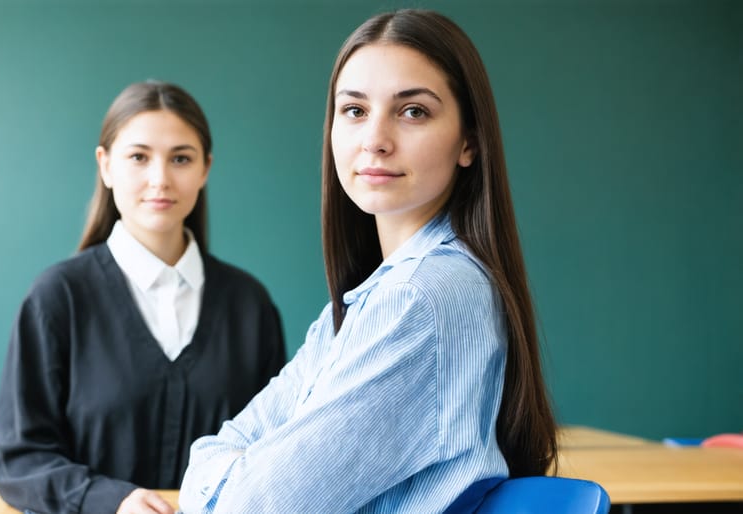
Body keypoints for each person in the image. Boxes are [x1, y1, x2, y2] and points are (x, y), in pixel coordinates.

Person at [178, 9, 557, 513]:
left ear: (470, 142)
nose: (374, 139)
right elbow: (232, 448)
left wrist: (234, 472)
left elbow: (251, 505)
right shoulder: (363, 303)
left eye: (413, 111)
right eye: (354, 110)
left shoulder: (421, 299)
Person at [0, 81, 286, 514]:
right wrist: (111, 500)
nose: (160, 179)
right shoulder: (58, 298)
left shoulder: (249, 305)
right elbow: (18, 460)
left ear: (205, 169)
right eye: (138, 157)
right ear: (106, 166)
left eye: (180, 158)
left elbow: (273, 449)